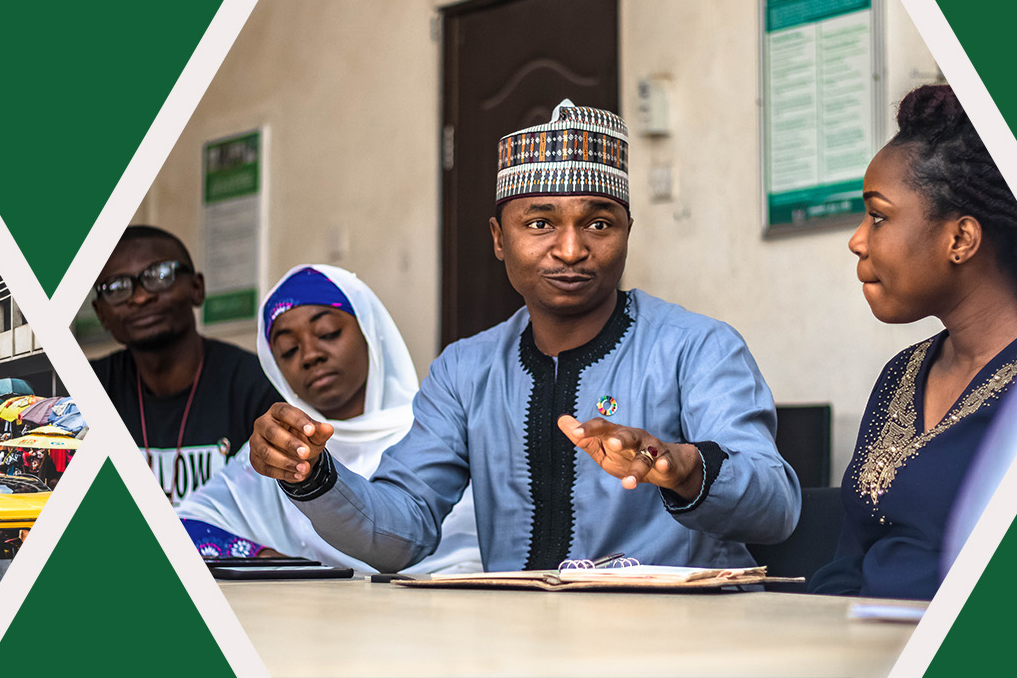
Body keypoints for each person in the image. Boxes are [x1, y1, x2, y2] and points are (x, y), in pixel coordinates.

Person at [252, 101, 800, 572]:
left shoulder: (697, 347)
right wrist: (313, 476)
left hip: (682, 644)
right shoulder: (466, 370)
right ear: (498, 238)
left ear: (627, 232)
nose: (570, 249)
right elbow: (403, 531)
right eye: (539, 224)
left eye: (599, 223)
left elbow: (776, 506)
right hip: (520, 644)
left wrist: (683, 467)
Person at [806, 85, 1017, 600]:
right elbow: (850, 558)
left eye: (877, 216)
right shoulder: (903, 373)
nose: (857, 239)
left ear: (960, 239)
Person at [178, 265, 483, 573]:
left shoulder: (437, 432)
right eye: (288, 349)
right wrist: (262, 556)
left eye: (328, 333)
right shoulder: (281, 451)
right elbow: (177, 528)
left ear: (369, 331)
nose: (310, 354)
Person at [90, 225, 285, 504]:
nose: (141, 297)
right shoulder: (88, 388)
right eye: (117, 287)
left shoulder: (255, 384)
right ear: (101, 314)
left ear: (197, 288)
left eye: (159, 276)